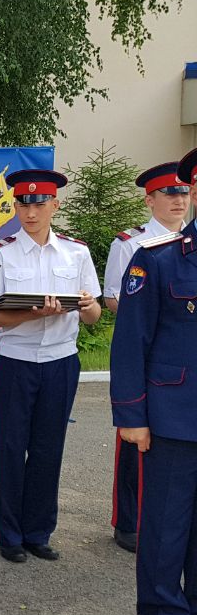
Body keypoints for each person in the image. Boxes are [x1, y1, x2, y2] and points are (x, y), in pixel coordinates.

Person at [0, 169, 101, 563]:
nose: (30, 212)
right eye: (23, 204)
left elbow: (94, 315)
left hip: (61, 361)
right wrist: (32, 314)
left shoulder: (76, 252)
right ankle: (10, 536)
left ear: (54, 205)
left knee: (49, 448)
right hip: (17, 361)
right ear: (15, 207)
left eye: (39, 204)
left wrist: (87, 305)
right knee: (11, 448)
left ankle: (38, 532)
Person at [108, 146, 197, 615]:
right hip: (172, 416)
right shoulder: (158, 259)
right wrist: (132, 416)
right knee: (164, 522)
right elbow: (130, 344)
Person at [100, 161, 191, 554]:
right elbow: (115, 299)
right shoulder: (130, 245)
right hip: (149, 354)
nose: (178, 200)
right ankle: (128, 521)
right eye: (169, 194)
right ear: (150, 200)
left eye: (183, 192)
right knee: (134, 446)